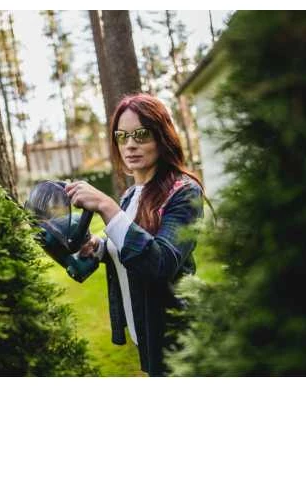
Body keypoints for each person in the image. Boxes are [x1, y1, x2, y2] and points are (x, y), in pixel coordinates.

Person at [65, 93, 205, 376]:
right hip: (143, 328)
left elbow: (161, 262)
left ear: (162, 137)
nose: (130, 145)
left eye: (141, 135)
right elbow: (128, 244)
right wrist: (98, 247)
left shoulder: (184, 192)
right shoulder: (130, 195)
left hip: (175, 334)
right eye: (122, 136)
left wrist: (106, 206)